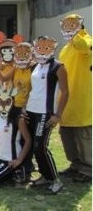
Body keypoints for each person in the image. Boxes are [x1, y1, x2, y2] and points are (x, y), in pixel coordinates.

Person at [26, 36, 68, 194]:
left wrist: (58, 115)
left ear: (52, 48)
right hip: (31, 111)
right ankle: (45, 176)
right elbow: (32, 89)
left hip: (46, 112)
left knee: (40, 146)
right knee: (33, 146)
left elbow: (65, 92)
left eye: (46, 47)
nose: (42, 50)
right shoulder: (35, 65)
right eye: (39, 47)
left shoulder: (58, 66)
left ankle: (56, 180)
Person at [57, 14, 92, 182]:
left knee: (82, 135)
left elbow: (84, 46)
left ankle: (88, 169)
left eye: (72, 25)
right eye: (65, 25)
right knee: (67, 134)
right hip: (66, 99)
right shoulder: (65, 48)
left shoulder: (86, 41)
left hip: (81, 98)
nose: (68, 29)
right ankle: (75, 165)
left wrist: (78, 33)